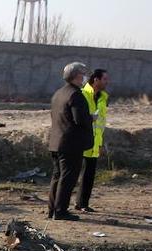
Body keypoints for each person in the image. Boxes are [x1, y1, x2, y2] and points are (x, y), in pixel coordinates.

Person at [47, 61, 94, 221]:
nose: (85, 77)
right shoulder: (75, 94)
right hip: (70, 143)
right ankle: (60, 211)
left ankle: (52, 209)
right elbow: (79, 119)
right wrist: (91, 118)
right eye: (82, 73)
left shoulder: (59, 93)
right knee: (68, 178)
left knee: (57, 176)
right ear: (77, 75)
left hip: (56, 141)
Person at [76, 69, 110, 214]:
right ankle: (62, 204)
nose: (107, 82)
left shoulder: (103, 97)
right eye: (105, 79)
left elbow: (101, 123)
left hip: (94, 143)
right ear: (95, 80)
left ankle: (82, 203)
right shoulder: (83, 94)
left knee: (89, 175)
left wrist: (100, 142)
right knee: (73, 174)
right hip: (81, 141)